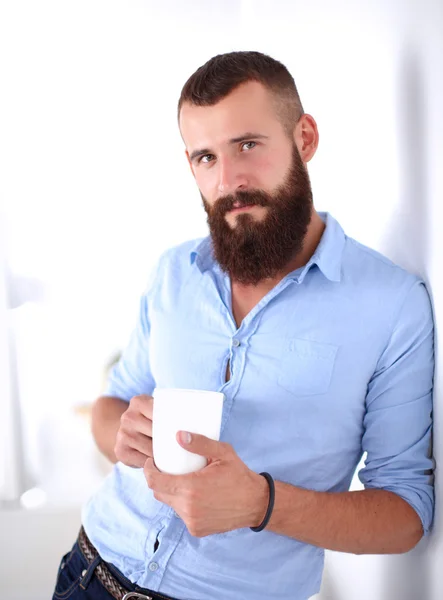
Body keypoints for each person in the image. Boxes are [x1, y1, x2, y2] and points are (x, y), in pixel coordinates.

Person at [52, 51, 435, 600]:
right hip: (88, 571)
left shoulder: (392, 305)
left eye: (248, 145)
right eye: (205, 157)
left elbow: (406, 514)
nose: (229, 180)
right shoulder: (172, 274)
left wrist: (261, 504)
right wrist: (123, 431)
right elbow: (112, 404)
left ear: (304, 138)